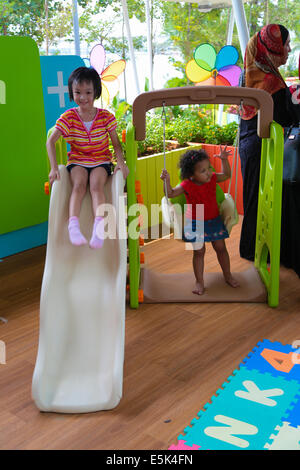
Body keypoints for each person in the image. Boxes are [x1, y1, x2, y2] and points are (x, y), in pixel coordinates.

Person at [239, 24, 300, 276]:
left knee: (253, 198)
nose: (287, 49)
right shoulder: (270, 80)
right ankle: (259, 252)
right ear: (271, 48)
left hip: (247, 143)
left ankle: (250, 249)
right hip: (264, 145)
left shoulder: (248, 73)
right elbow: (286, 118)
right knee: (264, 201)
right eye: (284, 44)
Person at [46, 66, 129, 249]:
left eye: (88, 92)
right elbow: (50, 141)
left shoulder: (106, 117)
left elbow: (116, 144)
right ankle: (73, 226)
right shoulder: (69, 117)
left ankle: (98, 227)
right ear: (71, 92)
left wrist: (121, 163)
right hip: (77, 161)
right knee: (78, 186)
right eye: (77, 92)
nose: (82, 97)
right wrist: (53, 168)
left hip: (100, 160)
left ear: (96, 92)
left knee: (96, 186)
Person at [160, 148, 239, 295]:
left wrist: (223, 159)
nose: (208, 172)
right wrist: (167, 181)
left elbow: (227, 174)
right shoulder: (186, 185)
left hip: (214, 220)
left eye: (208, 168)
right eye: (203, 171)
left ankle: (228, 275)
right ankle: (199, 281)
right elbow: (170, 193)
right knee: (199, 252)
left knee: (221, 248)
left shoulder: (213, 178)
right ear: (191, 175)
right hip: (195, 222)